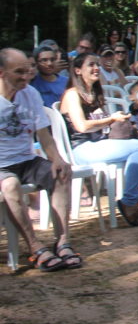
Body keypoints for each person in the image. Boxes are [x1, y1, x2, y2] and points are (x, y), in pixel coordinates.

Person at [0, 48, 80, 271]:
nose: (26, 77)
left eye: (28, 71)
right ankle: (35, 247)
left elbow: (44, 135)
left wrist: (58, 159)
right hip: (2, 166)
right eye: (19, 72)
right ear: (1, 72)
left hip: (27, 160)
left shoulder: (30, 94)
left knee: (62, 173)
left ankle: (63, 241)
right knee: (11, 185)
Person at [61, 53, 138, 227]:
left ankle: (134, 201)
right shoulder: (72, 94)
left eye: (97, 64)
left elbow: (102, 126)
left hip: (100, 142)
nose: (96, 68)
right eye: (91, 65)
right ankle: (128, 201)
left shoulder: (95, 93)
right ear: (77, 70)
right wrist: (112, 119)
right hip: (81, 149)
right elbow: (82, 127)